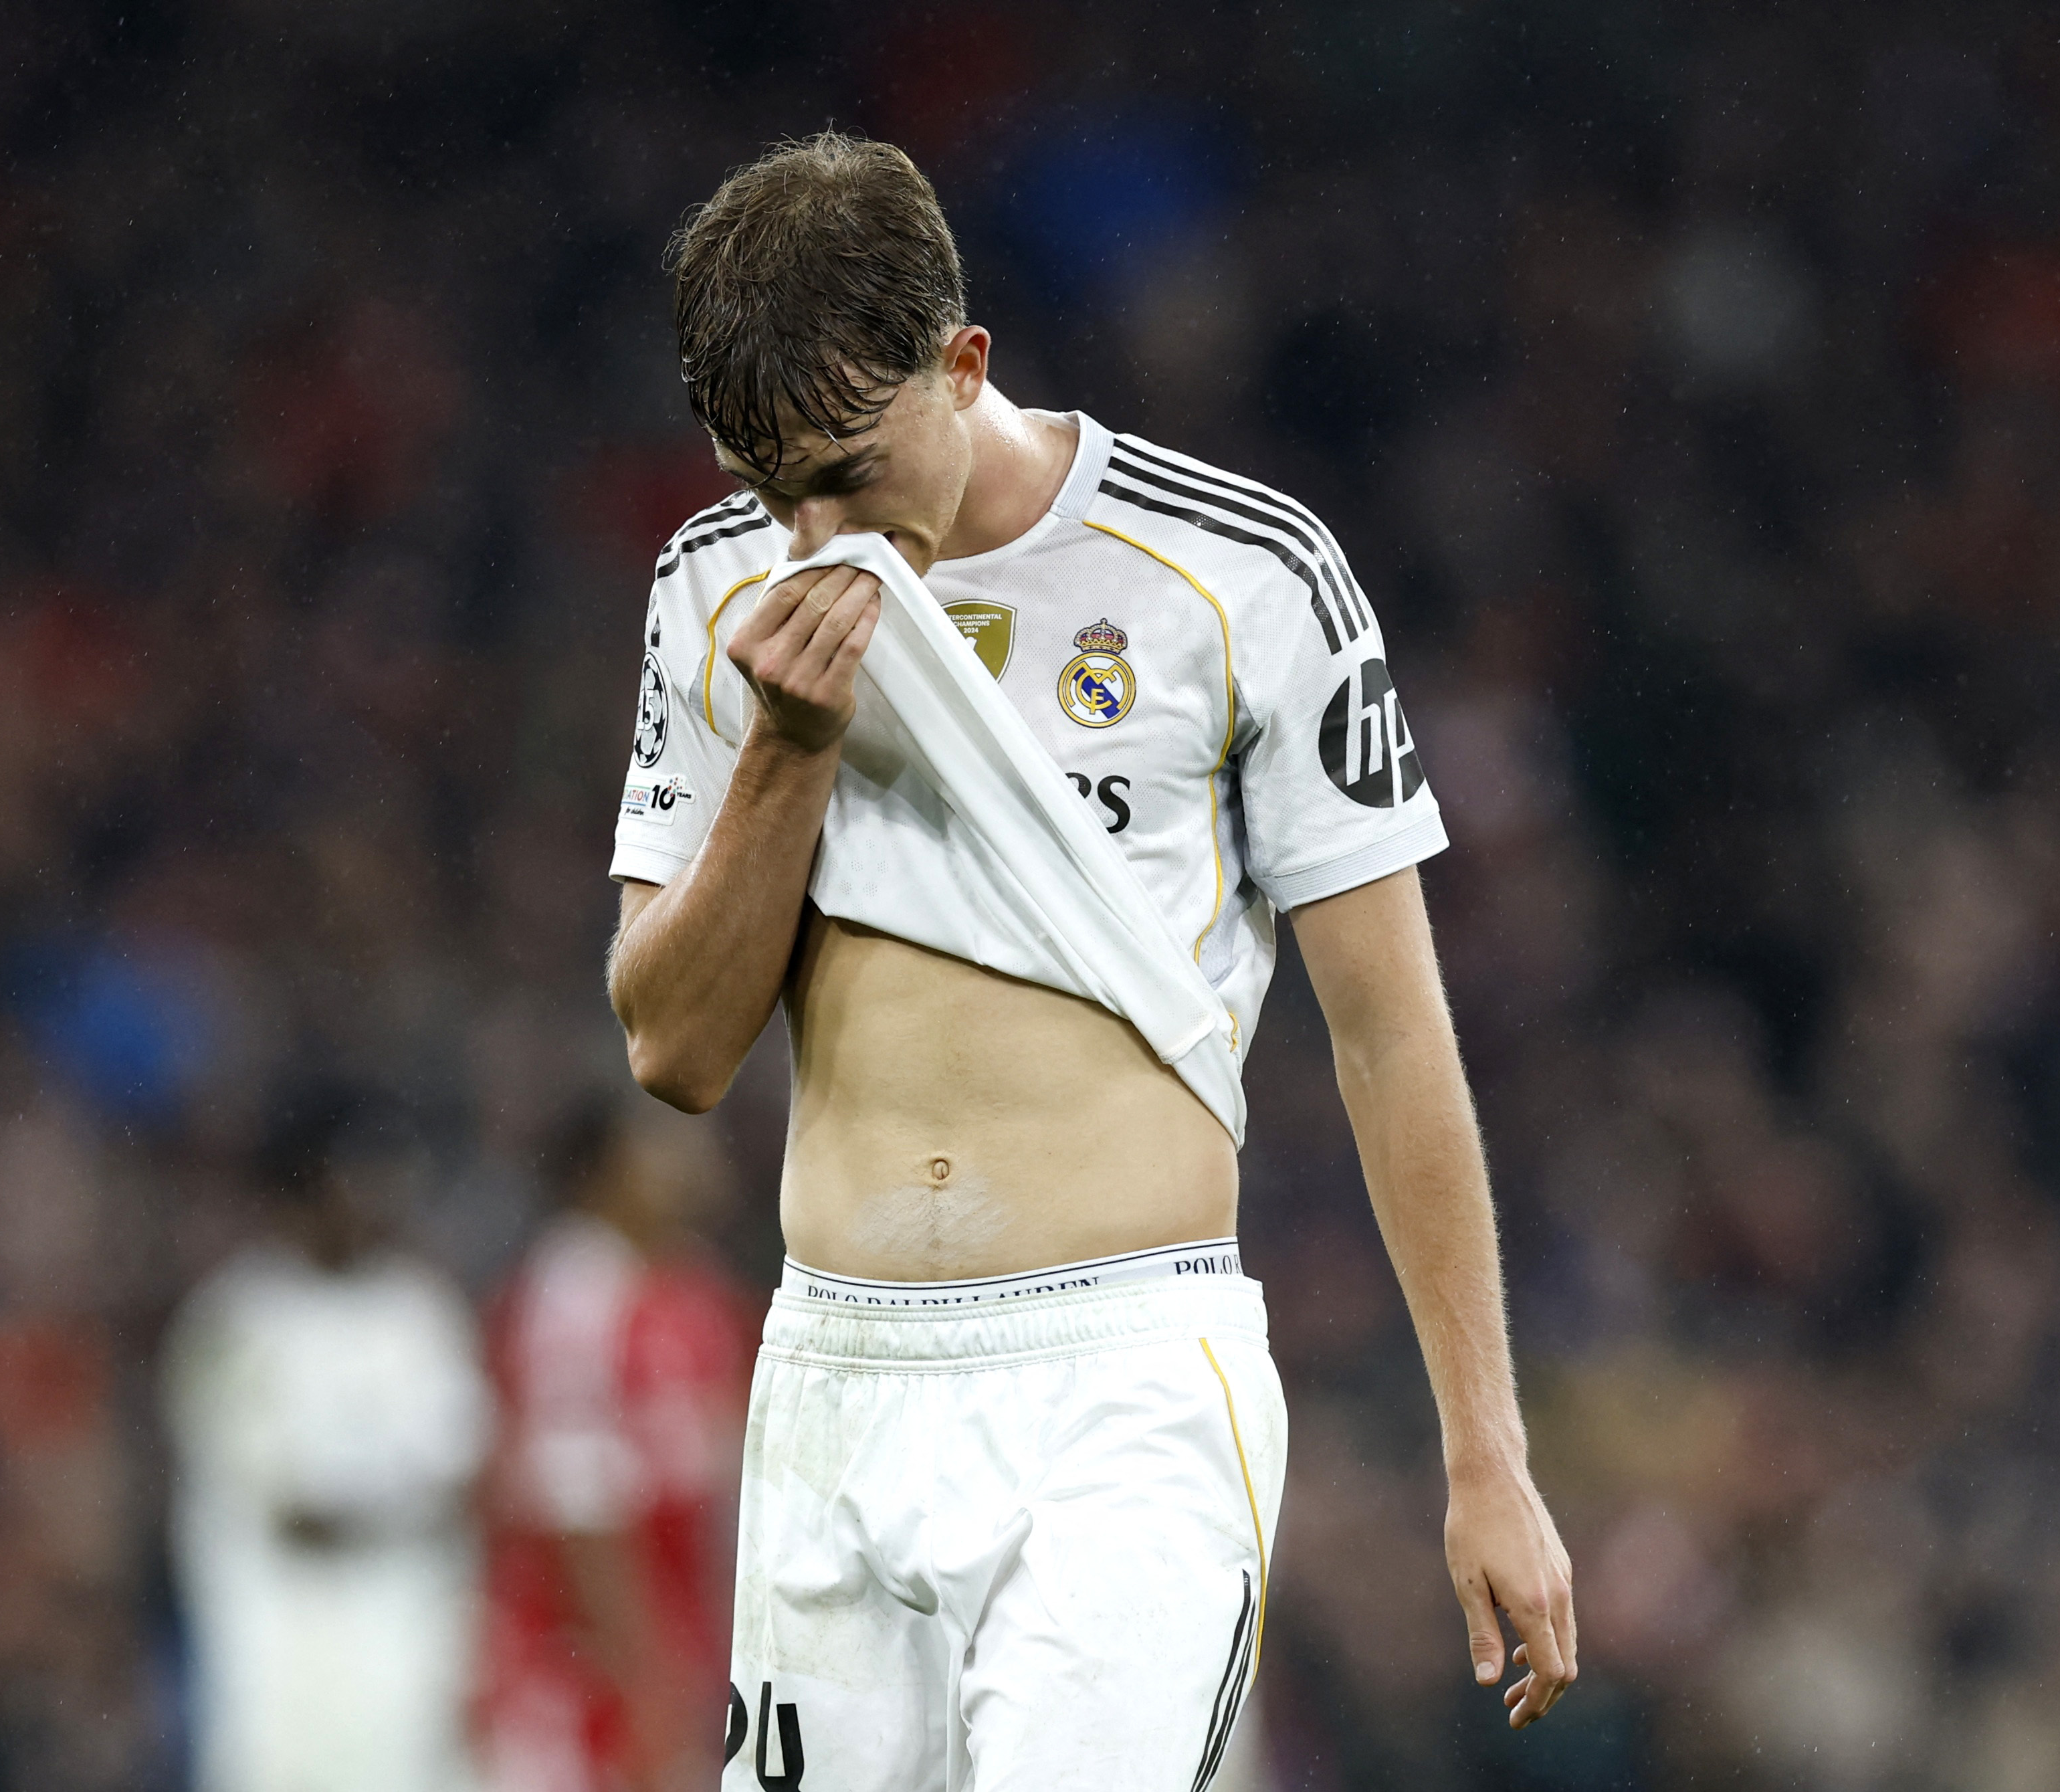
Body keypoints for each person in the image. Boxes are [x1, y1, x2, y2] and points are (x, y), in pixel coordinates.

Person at [607, 134, 1578, 1790]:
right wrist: (788, 747)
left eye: (849, 465)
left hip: (1116, 1392)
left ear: (964, 361)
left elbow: (1392, 1032)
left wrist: (1487, 1447)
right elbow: (676, 1051)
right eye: (774, 486)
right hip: (834, 1383)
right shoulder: (714, 590)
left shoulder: (1243, 575)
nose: (815, 527)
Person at [163, 1084, 491, 1792]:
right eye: (358, 1175)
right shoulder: (234, 1325)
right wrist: (406, 1505)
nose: (378, 1197)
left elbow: (463, 1482)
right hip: (285, 1691)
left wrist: (392, 1507)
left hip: (408, 1681)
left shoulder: (422, 1312)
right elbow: (296, 1516)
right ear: (302, 1186)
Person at [473, 1096, 752, 1792]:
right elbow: (578, 1516)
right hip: (578, 1666)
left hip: (689, 1636)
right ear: (602, 1171)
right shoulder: (573, 1296)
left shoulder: (698, 1287)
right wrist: (646, 1681)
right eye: (663, 1148)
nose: (693, 1164)